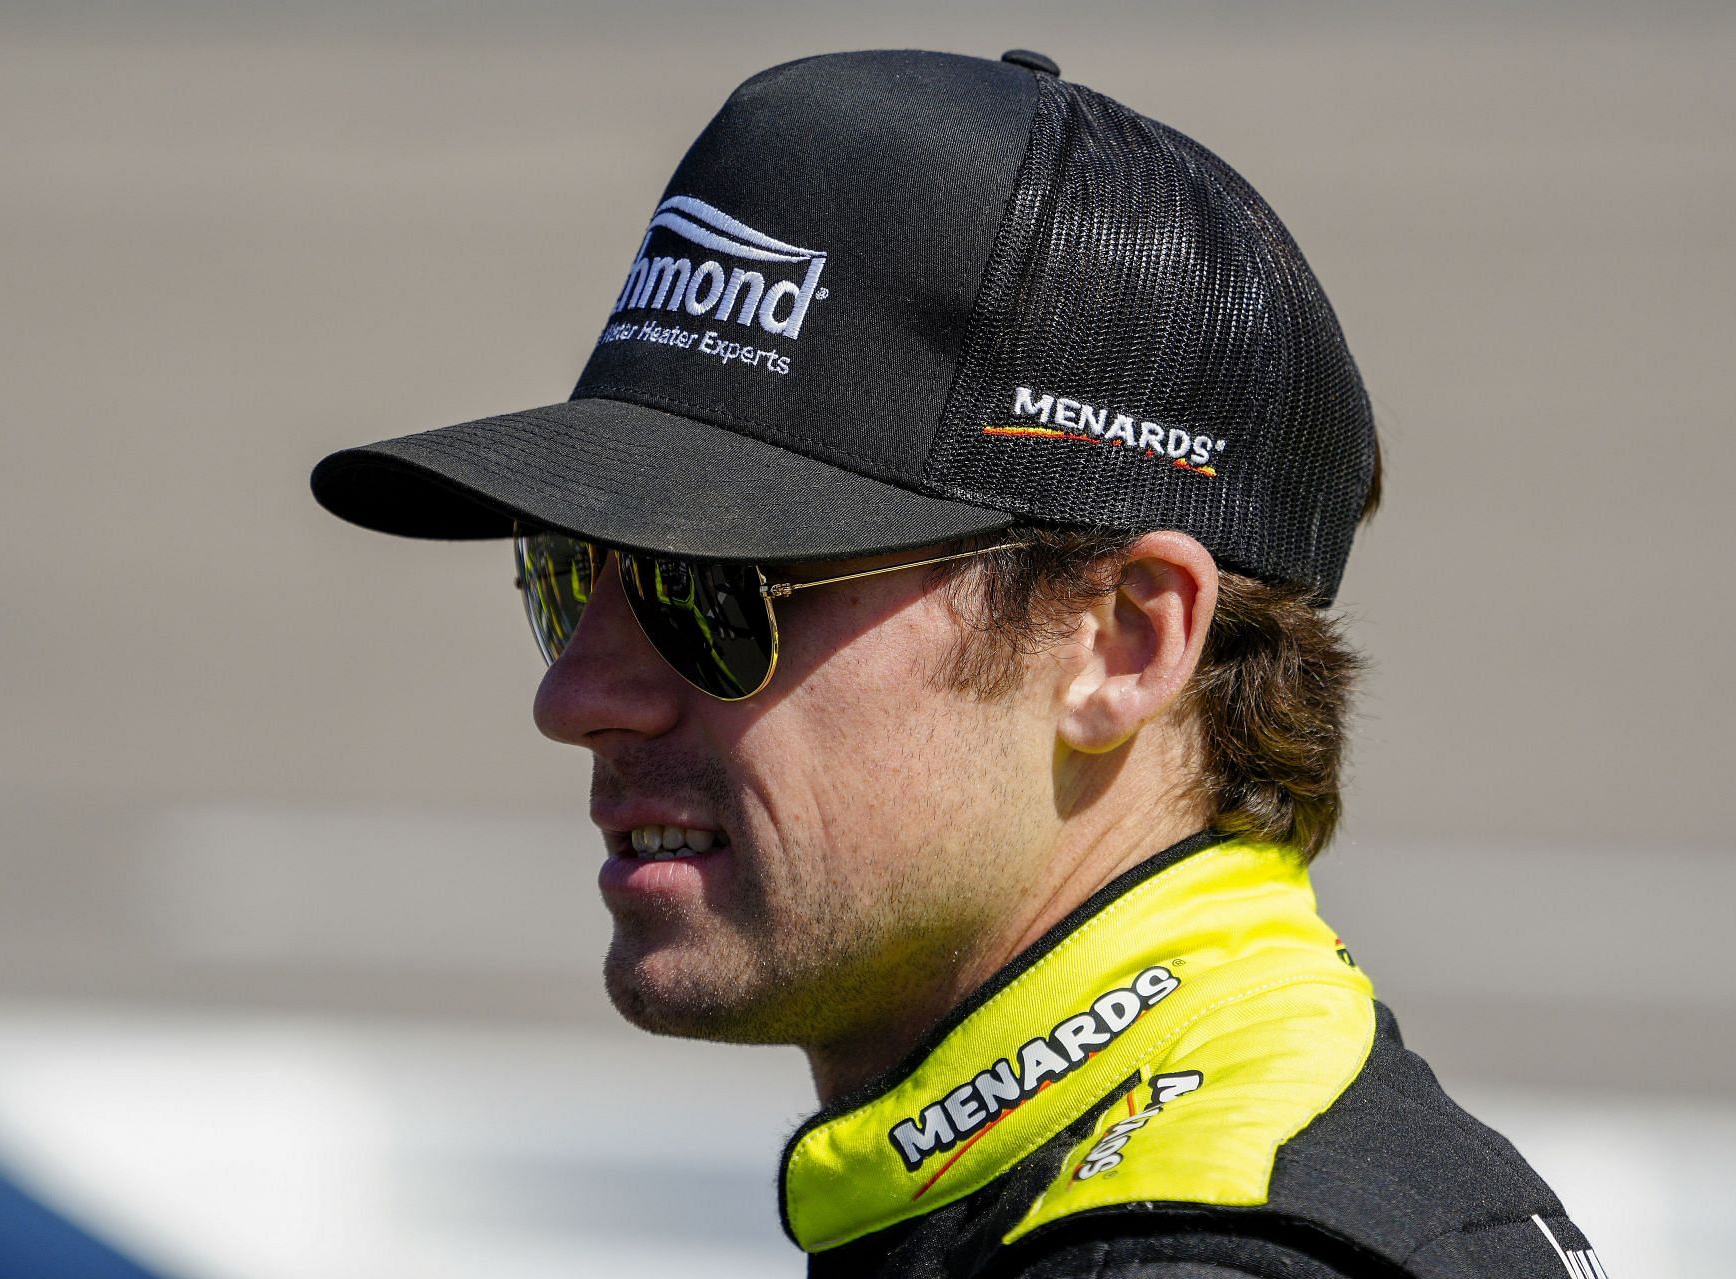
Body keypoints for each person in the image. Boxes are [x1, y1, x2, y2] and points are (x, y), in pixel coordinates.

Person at [310, 47, 1605, 1279]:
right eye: (563, 572)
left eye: (708, 590)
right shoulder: (1218, 1155)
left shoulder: (1199, 1251)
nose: (577, 696)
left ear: (1124, 640)